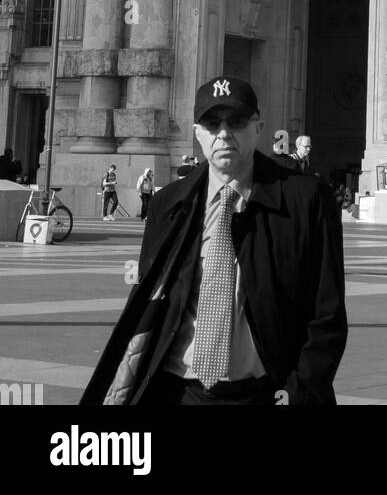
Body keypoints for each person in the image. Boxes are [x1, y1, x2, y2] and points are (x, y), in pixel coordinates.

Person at [80, 75, 347, 406]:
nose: (223, 134)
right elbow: (152, 301)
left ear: (258, 128)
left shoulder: (306, 199)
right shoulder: (169, 204)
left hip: (267, 392)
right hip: (179, 390)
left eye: (236, 121)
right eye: (211, 124)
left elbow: (327, 312)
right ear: (197, 134)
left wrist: (301, 390)